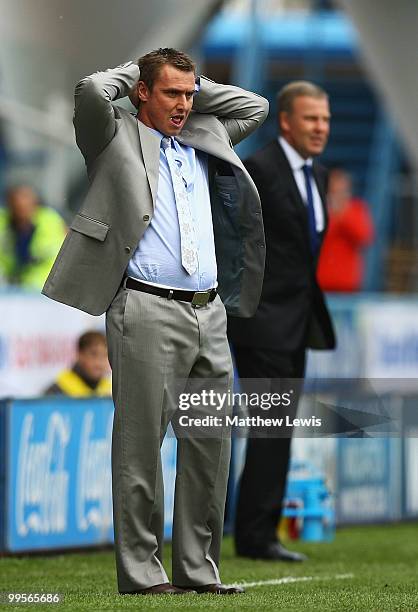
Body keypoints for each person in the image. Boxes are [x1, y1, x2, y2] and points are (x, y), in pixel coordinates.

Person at [42, 48, 268, 595]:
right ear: (142, 92)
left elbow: (255, 106)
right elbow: (94, 89)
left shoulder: (204, 130)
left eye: (191, 95)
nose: (184, 106)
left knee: (210, 450)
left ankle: (198, 570)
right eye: (172, 94)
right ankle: (143, 574)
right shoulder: (110, 133)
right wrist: (140, 76)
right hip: (145, 307)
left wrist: (187, 87)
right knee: (141, 447)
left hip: (209, 311)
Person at [227, 81, 336, 561]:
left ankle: (261, 530)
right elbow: (236, 239)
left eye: (326, 120)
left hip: (295, 323)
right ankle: (254, 536)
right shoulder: (262, 169)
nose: (321, 128)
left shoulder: (314, 173)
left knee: (280, 428)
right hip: (262, 320)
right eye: (311, 118)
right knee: (270, 426)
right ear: (286, 121)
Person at [317, 168, 374, 292]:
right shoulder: (319, 210)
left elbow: (364, 237)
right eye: (334, 191)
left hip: (347, 286)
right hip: (320, 284)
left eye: (341, 190)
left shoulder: (356, 209)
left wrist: (343, 215)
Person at [0, 185, 66, 288]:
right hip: (9, 288)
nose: (21, 208)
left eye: (26, 205)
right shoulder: (3, 221)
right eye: (16, 206)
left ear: (35, 204)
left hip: (43, 288)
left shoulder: (50, 220)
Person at [44, 330, 111, 396]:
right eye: (93, 354)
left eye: (105, 355)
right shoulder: (56, 392)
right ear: (80, 355)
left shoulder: (110, 391)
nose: (99, 363)